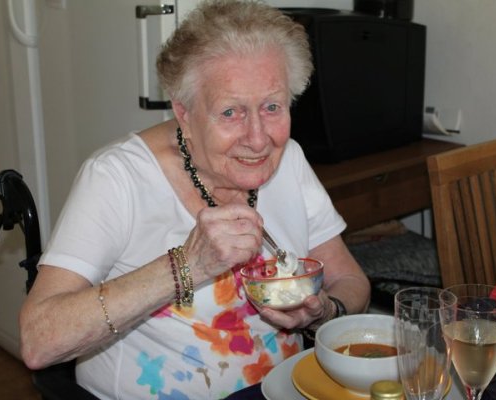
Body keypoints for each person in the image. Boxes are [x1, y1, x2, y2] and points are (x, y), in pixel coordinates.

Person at [19, 1, 370, 398]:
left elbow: (350, 280)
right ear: (183, 112)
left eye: (272, 107)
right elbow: (38, 341)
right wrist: (187, 265)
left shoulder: (288, 159)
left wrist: (325, 312)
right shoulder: (116, 178)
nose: (258, 139)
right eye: (231, 112)